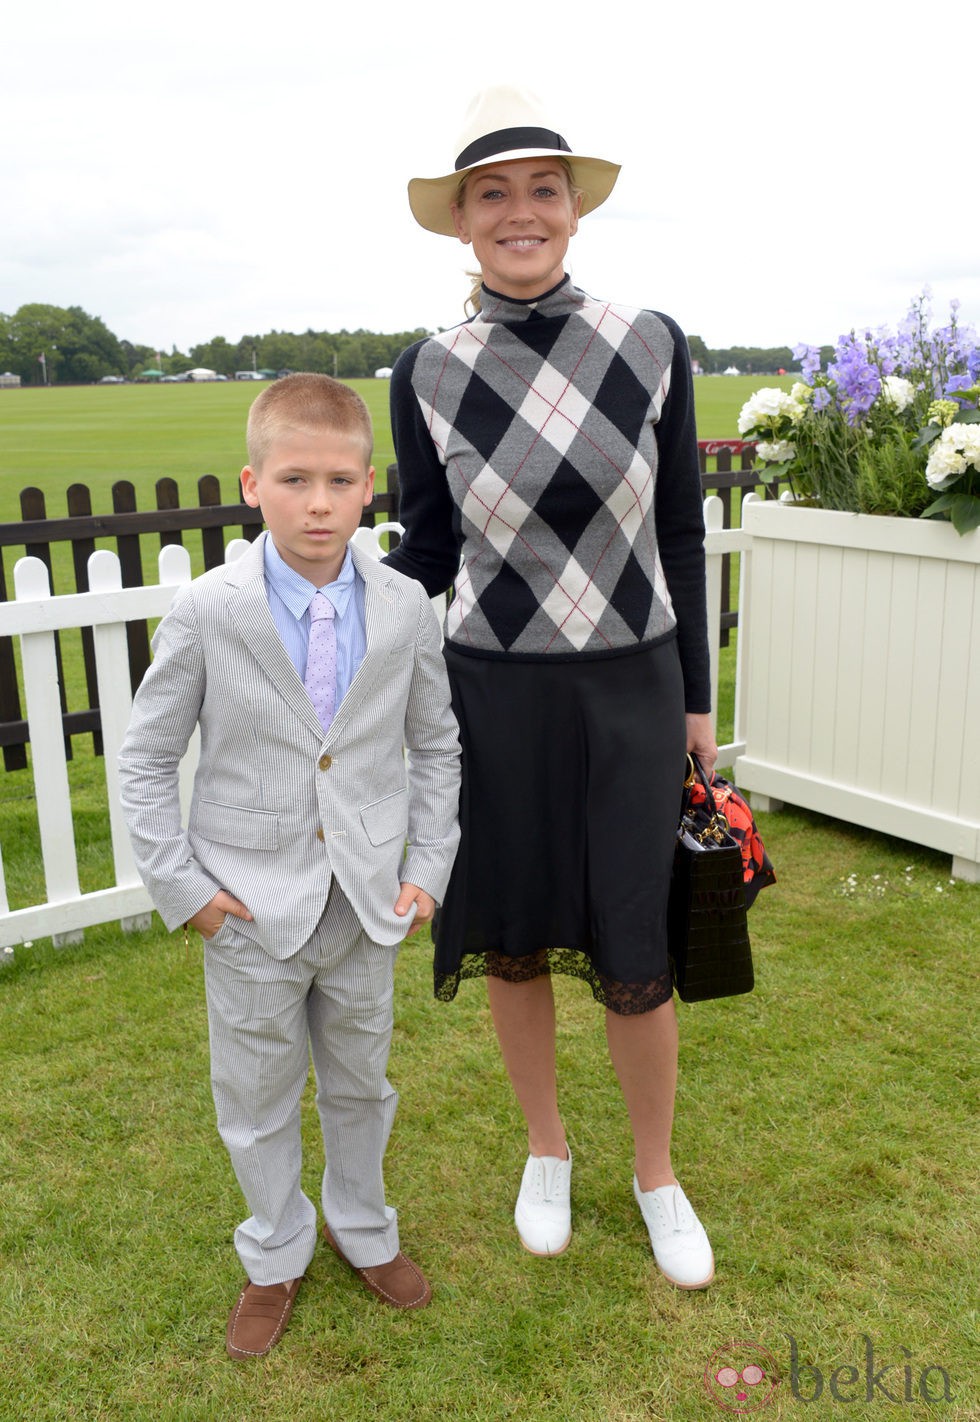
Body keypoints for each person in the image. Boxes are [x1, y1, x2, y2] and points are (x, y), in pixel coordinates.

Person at [385, 86, 716, 1289]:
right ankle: (544, 1151)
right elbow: (426, 551)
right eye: (492, 194)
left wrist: (694, 696)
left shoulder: (648, 343)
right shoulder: (425, 371)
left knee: (636, 941)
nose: (518, 212)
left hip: (632, 686)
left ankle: (655, 1173)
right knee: (514, 938)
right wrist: (320, 595)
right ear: (462, 225)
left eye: (541, 189)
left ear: (571, 212)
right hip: (493, 694)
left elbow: (678, 530)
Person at [118, 374, 461, 1358]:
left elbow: (435, 747)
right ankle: (272, 1253)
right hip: (247, 911)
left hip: (363, 904)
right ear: (254, 482)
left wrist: (425, 868)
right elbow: (144, 758)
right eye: (295, 478)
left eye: (339, 481)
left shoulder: (403, 607)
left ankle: (363, 1228)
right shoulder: (208, 609)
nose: (318, 502)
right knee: (257, 1096)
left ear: (369, 492)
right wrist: (188, 895)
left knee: (362, 1083)